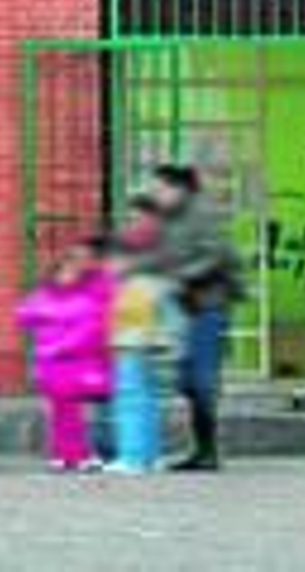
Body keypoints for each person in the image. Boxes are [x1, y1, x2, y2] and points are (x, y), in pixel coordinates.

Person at [152, 164, 242, 472]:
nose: (157, 194)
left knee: (201, 380)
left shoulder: (201, 215)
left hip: (209, 305)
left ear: (179, 189)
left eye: (161, 188)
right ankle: (202, 449)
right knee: (187, 380)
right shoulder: (170, 220)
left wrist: (183, 275)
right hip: (186, 307)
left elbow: (220, 254)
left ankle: (208, 451)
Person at [16, 238, 114, 473]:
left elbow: (91, 328)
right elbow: (23, 315)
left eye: (73, 268)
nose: (67, 275)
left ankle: (80, 454)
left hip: (77, 363)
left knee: (72, 412)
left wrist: (59, 344)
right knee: (62, 411)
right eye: (63, 270)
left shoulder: (87, 294)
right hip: (53, 366)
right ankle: (64, 454)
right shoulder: (46, 295)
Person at [108, 216, 181, 476]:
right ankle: (151, 456)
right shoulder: (160, 280)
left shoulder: (135, 283)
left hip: (133, 346)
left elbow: (126, 317)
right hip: (151, 346)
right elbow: (171, 318)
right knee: (148, 399)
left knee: (130, 399)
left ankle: (133, 457)